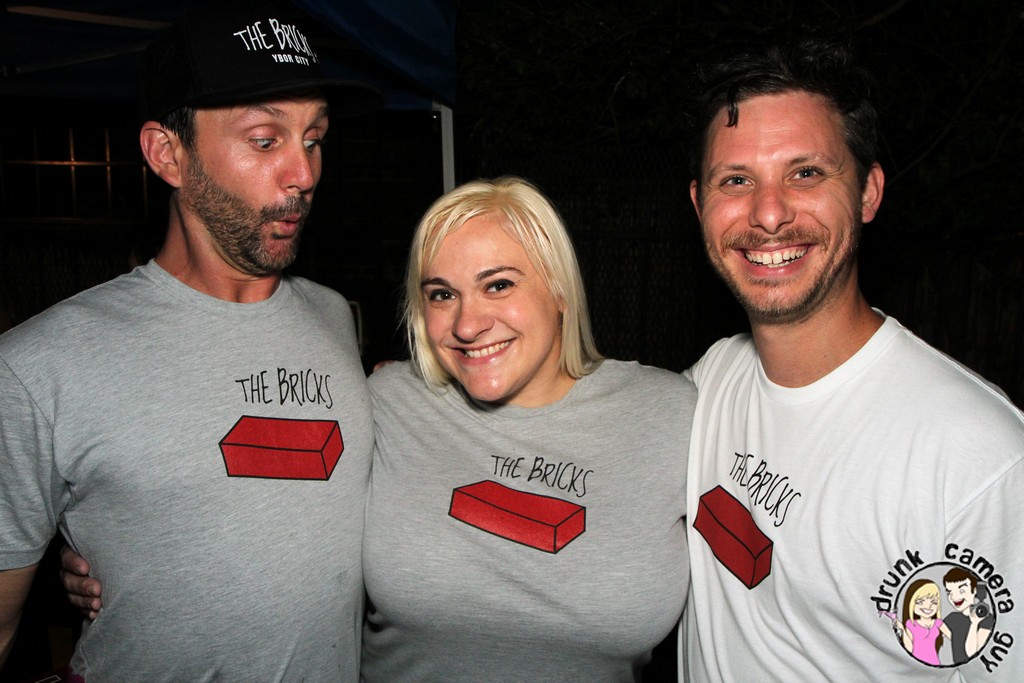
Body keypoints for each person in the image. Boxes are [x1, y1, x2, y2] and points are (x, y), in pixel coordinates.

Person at [0, 3, 381, 680]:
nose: (304, 173)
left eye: (314, 137)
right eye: (265, 140)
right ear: (167, 154)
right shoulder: (38, 366)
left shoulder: (333, 317)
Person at [680, 30, 1024, 680]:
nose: (769, 214)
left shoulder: (977, 460)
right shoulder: (709, 383)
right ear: (700, 205)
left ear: (867, 192)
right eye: (736, 180)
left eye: (806, 173)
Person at [359, 176, 695, 680]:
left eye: (498, 285)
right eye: (442, 294)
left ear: (559, 289)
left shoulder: (672, 415)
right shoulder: (388, 403)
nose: (467, 325)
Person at [943, 566, 995, 664]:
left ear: (974, 590)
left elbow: (972, 654)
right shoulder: (952, 618)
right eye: (949, 592)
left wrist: (974, 623)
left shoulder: (987, 619)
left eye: (961, 591)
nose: (954, 597)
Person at [897, 579, 951, 665]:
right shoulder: (911, 624)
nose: (928, 606)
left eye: (934, 602)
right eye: (920, 602)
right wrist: (902, 629)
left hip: (935, 663)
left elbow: (954, 638)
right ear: (911, 603)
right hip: (915, 665)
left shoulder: (938, 623)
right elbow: (909, 649)